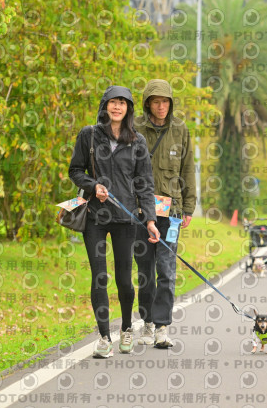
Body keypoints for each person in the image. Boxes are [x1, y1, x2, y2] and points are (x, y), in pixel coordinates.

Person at [69, 86, 160, 358]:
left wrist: (151, 219)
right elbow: (75, 170)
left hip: (125, 217)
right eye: (113, 102)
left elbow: (145, 184)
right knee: (99, 276)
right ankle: (104, 337)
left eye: (122, 102)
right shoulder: (88, 135)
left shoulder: (137, 141)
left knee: (123, 278)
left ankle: (127, 328)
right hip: (95, 216)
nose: (117, 107)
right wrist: (93, 185)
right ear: (105, 105)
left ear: (128, 108)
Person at [133, 79, 196, 348]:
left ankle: (162, 327)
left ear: (171, 104)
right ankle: (147, 322)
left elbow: (188, 169)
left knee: (167, 270)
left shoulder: (180, 129)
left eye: (165, 101)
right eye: (156, 101)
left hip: (172, 213)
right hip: (139, 210)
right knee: (145, 270)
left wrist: (189, 207)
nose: (161, 106)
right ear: (147, 103)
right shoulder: (134, 128)